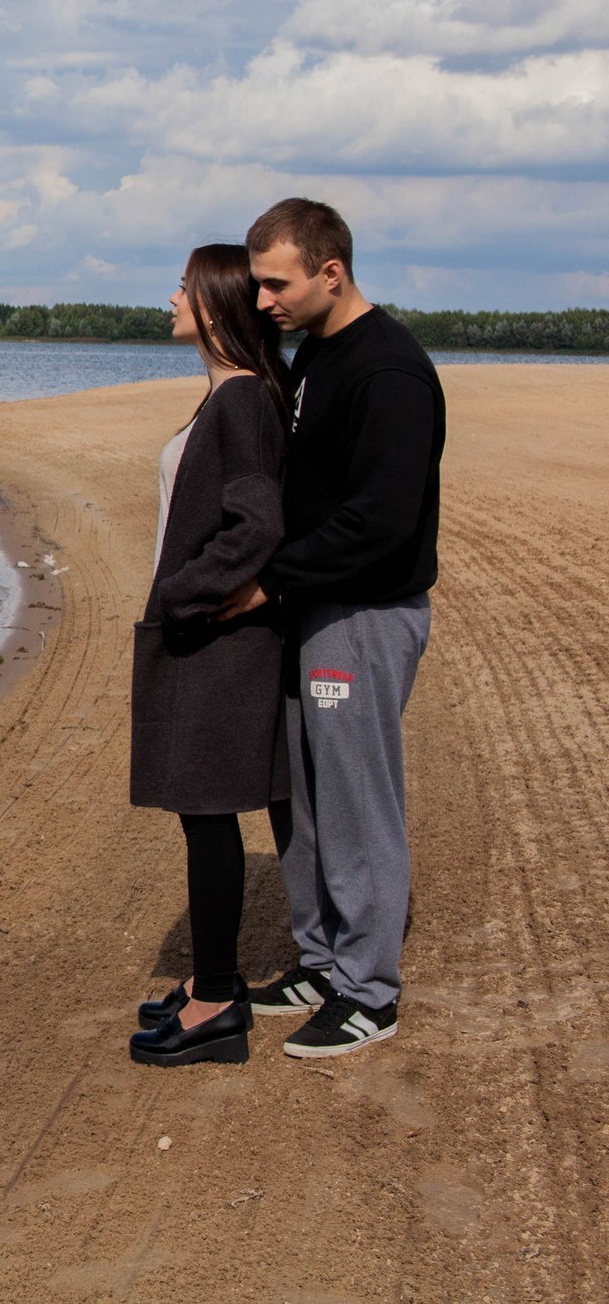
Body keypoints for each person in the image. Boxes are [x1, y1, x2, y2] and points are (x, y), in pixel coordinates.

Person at [219, 198, 444, 1058]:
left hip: (364, 613)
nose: (264, 298)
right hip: (312, 609)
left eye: (276, 282)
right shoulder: (317, 350)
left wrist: (268, 580)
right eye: (257, 282)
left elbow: (382, 521)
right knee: (303, 799)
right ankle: (321, 959)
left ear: (330, 271)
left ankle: (370, 990)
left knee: (358, 802)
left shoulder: (388, 370)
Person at [127, 244, 292, 1068]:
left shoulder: (242, 401)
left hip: (221, 644)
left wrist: (187, 595)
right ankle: (206, 987)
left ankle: (221, 998)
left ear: (215, 299)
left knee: (209, 812)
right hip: (202, 635)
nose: (172, 295)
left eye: (185, 285)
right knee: (202, 812)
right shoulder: (224, 396)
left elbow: (257, 524)